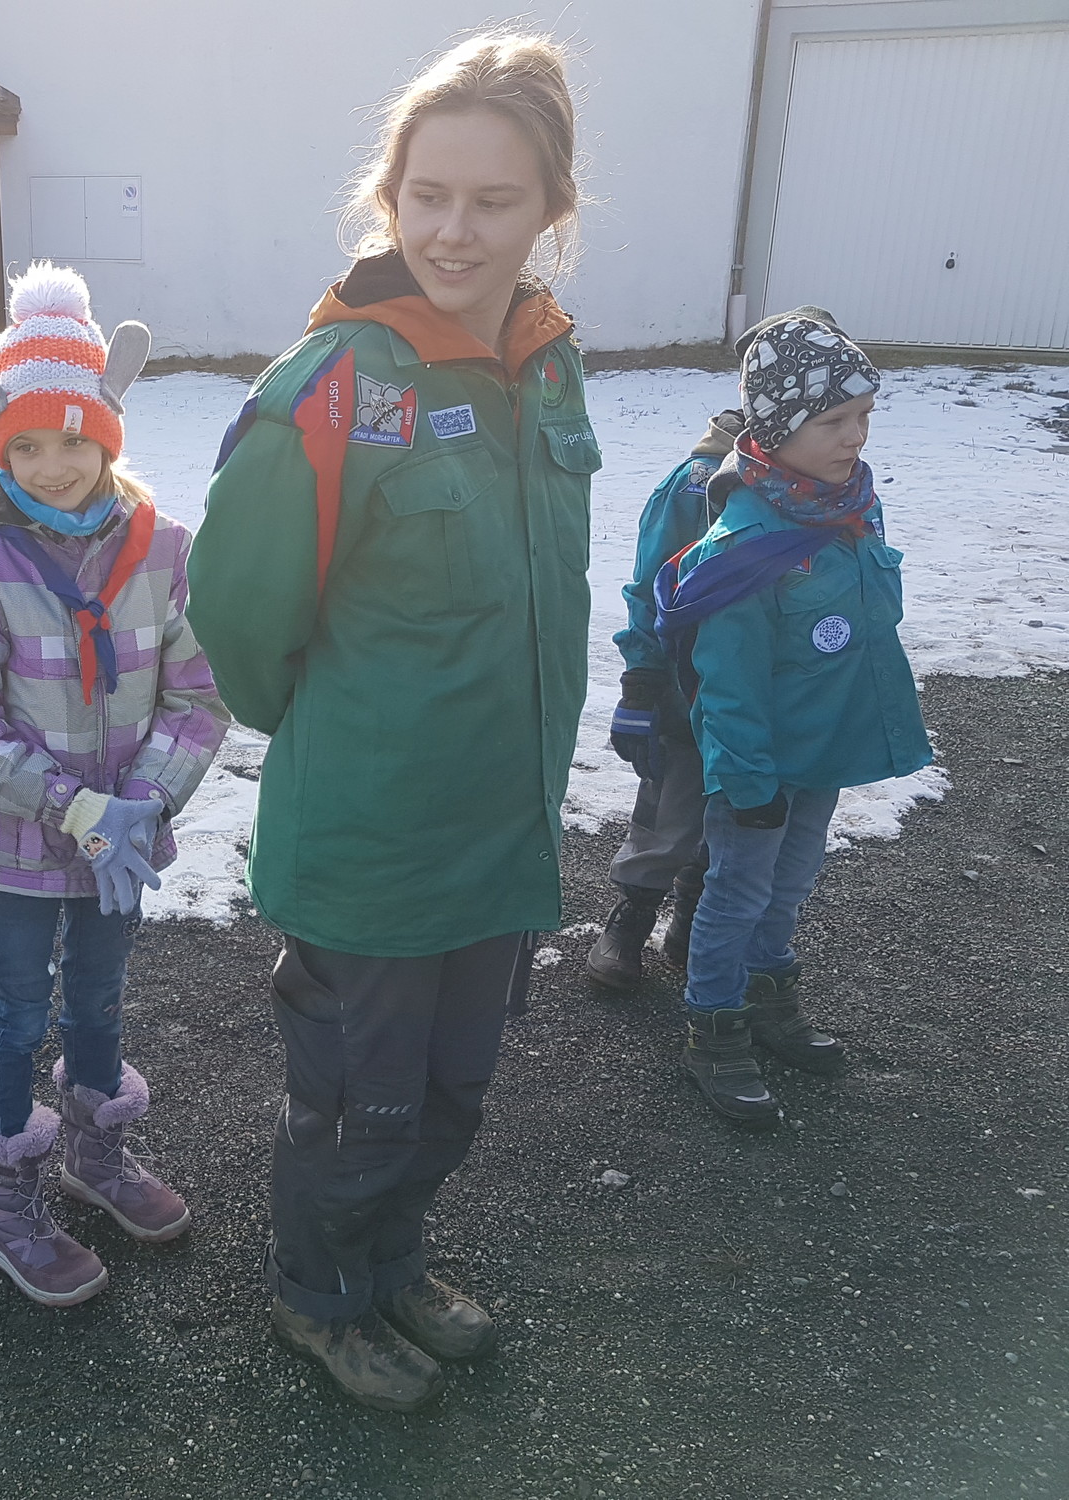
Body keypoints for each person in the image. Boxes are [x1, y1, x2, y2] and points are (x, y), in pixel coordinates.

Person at [186, 34, 595, 1412]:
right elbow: (238, 611)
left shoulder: (545, 366)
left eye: (492, 200)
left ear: (550, 208)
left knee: (449, 1098)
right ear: (388, 196)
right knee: (357, 1107)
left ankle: (391, 1263)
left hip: (495, 834)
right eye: (427, 195)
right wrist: (334, 733)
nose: (453, 230)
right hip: (371, 846)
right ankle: (321, 1297)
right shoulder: (336, 385)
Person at [0, 262, 229, 1307]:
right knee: (16, 1008)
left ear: (108, 438)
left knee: (99, 996)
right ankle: (5, 1204)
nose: (53, 467)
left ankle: (99, 1157)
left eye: (72, 441)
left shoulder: (165, 553)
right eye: (27, 447)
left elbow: (198, 692)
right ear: (0, 450)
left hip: (125, 838)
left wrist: (141, 802)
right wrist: (72, 806)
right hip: (22, 842)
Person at [657, 309, 930, 1125]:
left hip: (824, 752)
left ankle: (768, 997)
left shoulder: (849, 509)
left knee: (790, 884)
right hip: (760, 771)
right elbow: (729, 686)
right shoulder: (746, 544)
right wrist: (746, 786)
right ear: (778, 430)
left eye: (864, 416)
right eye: (834, 420)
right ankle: (713, 1028)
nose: (856, 436)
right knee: (737, 892)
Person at [585, 409, 742, 987]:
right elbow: (652, 583)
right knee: (672, 801)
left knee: (745, 814)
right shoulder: (697, 483)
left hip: (771, 685)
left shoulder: (819, 480)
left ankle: (695, 921)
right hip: (689, 683)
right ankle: (632, 915)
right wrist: (642, 683)